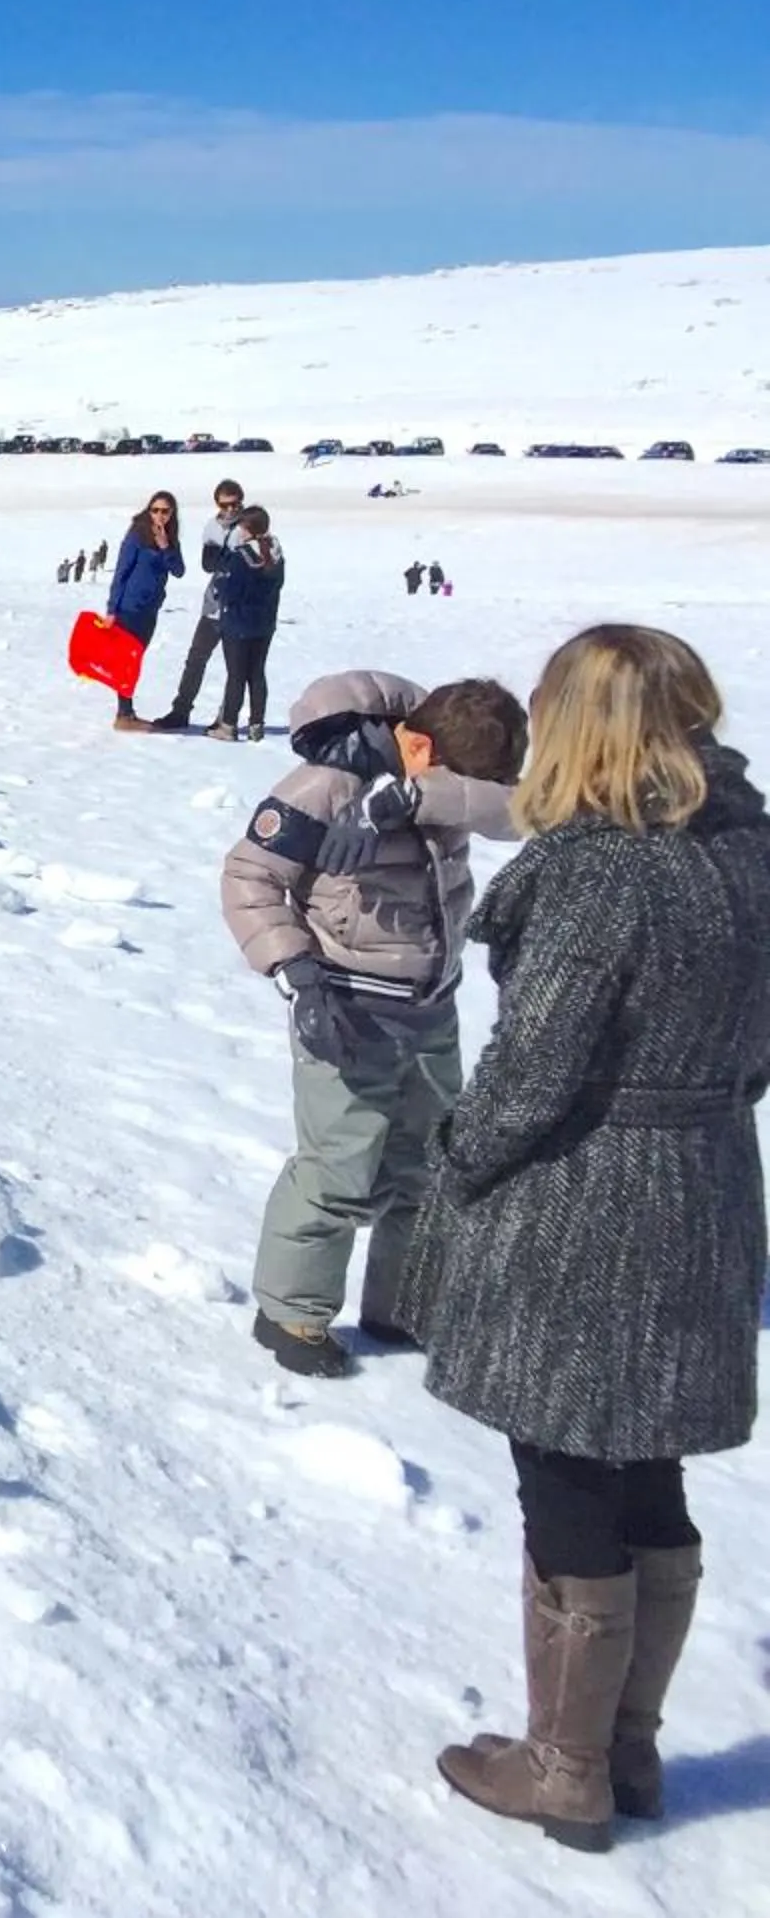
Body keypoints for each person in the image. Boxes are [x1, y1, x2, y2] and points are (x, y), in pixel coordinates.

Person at [400, 627, 769, 1852]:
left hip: (585, 1199)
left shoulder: (604, 873)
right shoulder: (748, 846)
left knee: (565, 1464)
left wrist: (457, 1164)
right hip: (705, 1184)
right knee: (645, 1460)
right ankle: (628, 1748)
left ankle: (568, 1767)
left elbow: (533, 1070)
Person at [222, 675, 528, 1379]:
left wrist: (415, 795)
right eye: (449, 778)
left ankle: (403, 1303)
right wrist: (293, 971)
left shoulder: (438, 766)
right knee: (339, 1166)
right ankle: (292, 1313)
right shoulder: (324, 788)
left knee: (427, 1161)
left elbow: (517, 813)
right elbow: (248, 878)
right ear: (416, 742)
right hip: (344, 1006)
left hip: (430, 1004)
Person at [152, 478, 249, 730]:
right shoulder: (212, 527)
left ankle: (226, 719)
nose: (230, 510)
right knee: (196, 659)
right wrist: (226, 558)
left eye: (235, 504)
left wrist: (228, 558)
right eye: (225, 505)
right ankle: (180, 710)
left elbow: (247, 564)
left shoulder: (248, 527)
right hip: (213, 605)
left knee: (235, 668)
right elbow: (208, 563)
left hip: (238, 608)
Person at [103, 492, 186, 729]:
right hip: (129, 607)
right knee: (127, 659)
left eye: (165, 511)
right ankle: (124, 713)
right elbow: (122, 571)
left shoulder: (170, 538)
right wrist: (112, 609)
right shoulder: (137, 535)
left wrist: (166, 547)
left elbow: (179, 570)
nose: (160, 515)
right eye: (155, 510)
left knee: (135, 659)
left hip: (150, 610)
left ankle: (126, 712)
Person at [205, 505, 285, 742]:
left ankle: (228, 724)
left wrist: (222, 589)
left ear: (247, 529)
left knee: (236, 675)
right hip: (265, 623)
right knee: (257, 673)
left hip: (239, 623)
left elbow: (233, 590)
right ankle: (256, 724)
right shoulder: (276, 553)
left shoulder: (242, 556)